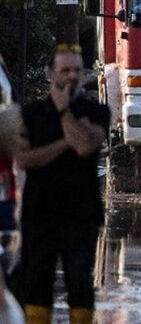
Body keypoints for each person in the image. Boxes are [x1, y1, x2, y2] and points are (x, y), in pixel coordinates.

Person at [15, 43, 110, 324]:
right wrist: (66, 142)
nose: (72, 76)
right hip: (39, 214)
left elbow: (83, 147)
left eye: (77, 70)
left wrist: (64, 112)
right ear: (50, 73)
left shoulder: (97, 111)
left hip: (81, 215)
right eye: (65, 70)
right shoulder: (30, 114)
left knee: (80, 286)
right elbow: (23, 159)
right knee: (35, 286)